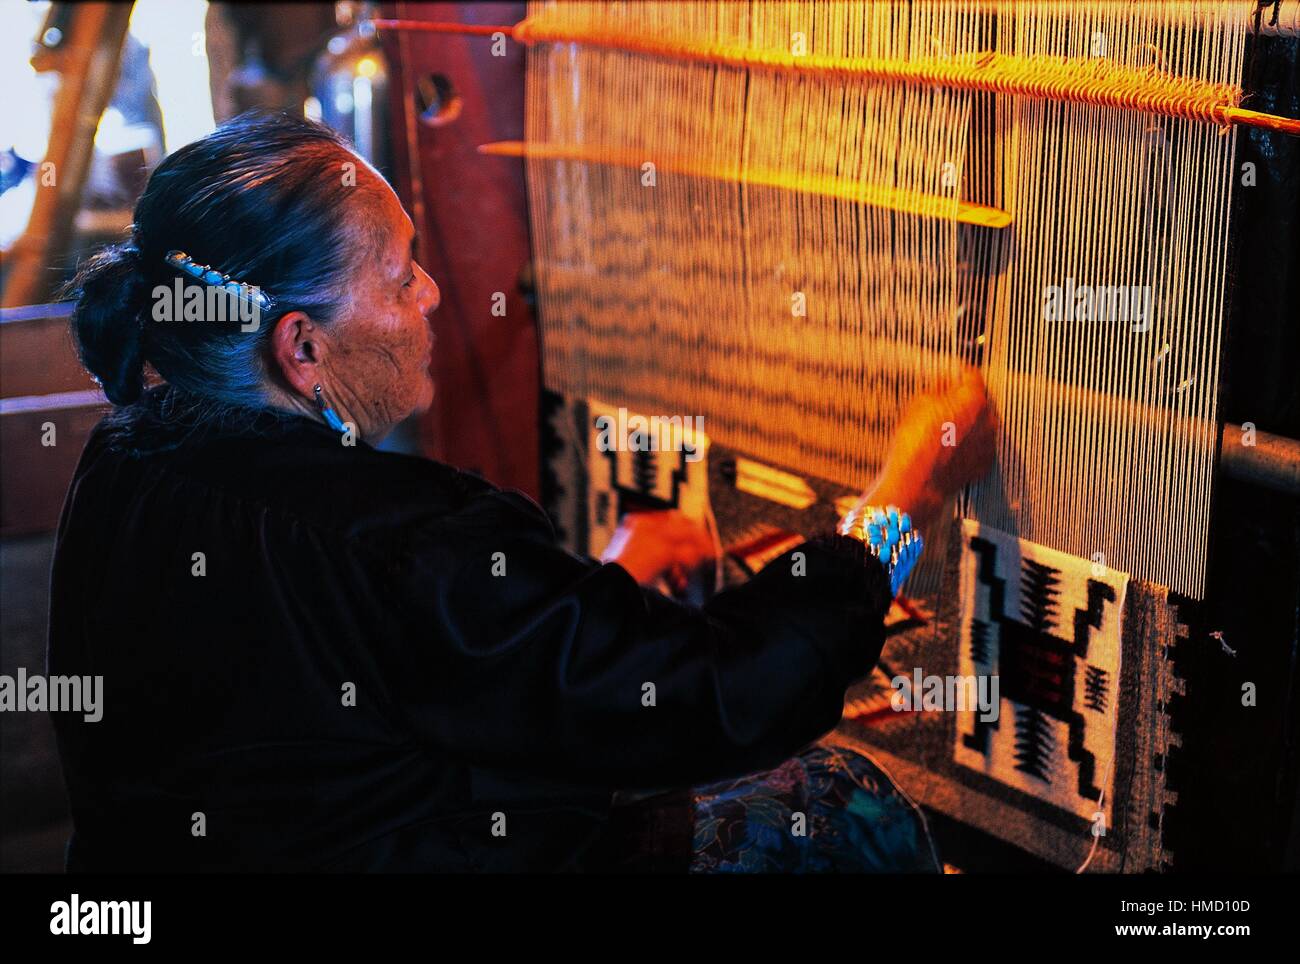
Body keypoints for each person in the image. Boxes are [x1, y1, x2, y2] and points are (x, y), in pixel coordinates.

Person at [51, 112, 995, 873]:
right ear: (302, 348)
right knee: (830, 807)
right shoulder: (400, 542)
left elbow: (367, 691)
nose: (430, 293)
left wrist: (585, 601)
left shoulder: (123, 464)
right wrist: (905, 494)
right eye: (398, 276)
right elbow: (732, 697)